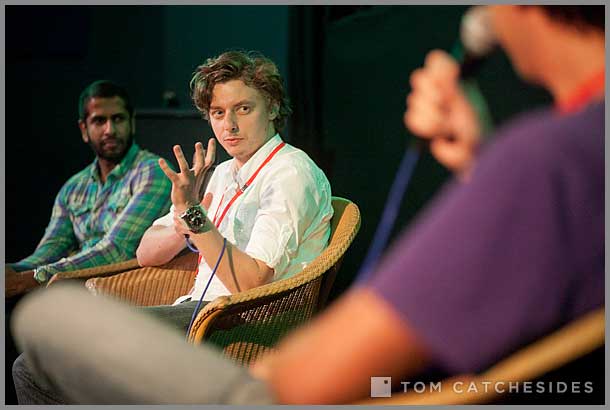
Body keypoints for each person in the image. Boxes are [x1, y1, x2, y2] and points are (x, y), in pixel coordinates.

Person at [11, 5, 604, 404]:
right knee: (43, 345)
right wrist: (188, 205)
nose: (229, 123)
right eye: (219, 113)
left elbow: (283, 329)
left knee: (41, 324)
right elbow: (147, 254)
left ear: (272, 107)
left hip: (243, 336)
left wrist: (194, 221)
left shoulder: (292, 173)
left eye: (242, 109)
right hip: (199, 311)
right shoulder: (215, 174)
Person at [5, 80, 172, 295]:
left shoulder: (153, 171)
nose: (110, 130)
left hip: (122, 289)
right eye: (99, 121)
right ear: (84, 129)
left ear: (132, 122)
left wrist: (35, 277)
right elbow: (52, 247)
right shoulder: (74, 187)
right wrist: (16, 270)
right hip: (66, 285)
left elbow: (117, 250)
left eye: (118, 119)